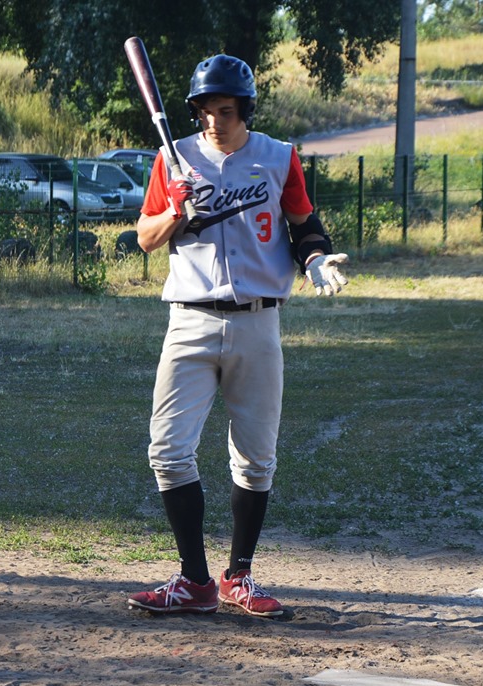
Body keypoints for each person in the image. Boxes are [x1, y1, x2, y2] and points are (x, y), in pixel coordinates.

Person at [127, 54, 349, 617]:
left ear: (244, 109)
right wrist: (175, 210)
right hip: (190, 320)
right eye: (205, 111)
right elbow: (145, 237)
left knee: (255, 459)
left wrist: (316, 261)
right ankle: (195, 581)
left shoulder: (278, 158)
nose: (214, 122)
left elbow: (305, 225)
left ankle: (240, 576)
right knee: (168, 451)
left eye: (225, 111)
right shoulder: (172, 159)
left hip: (258, 321)